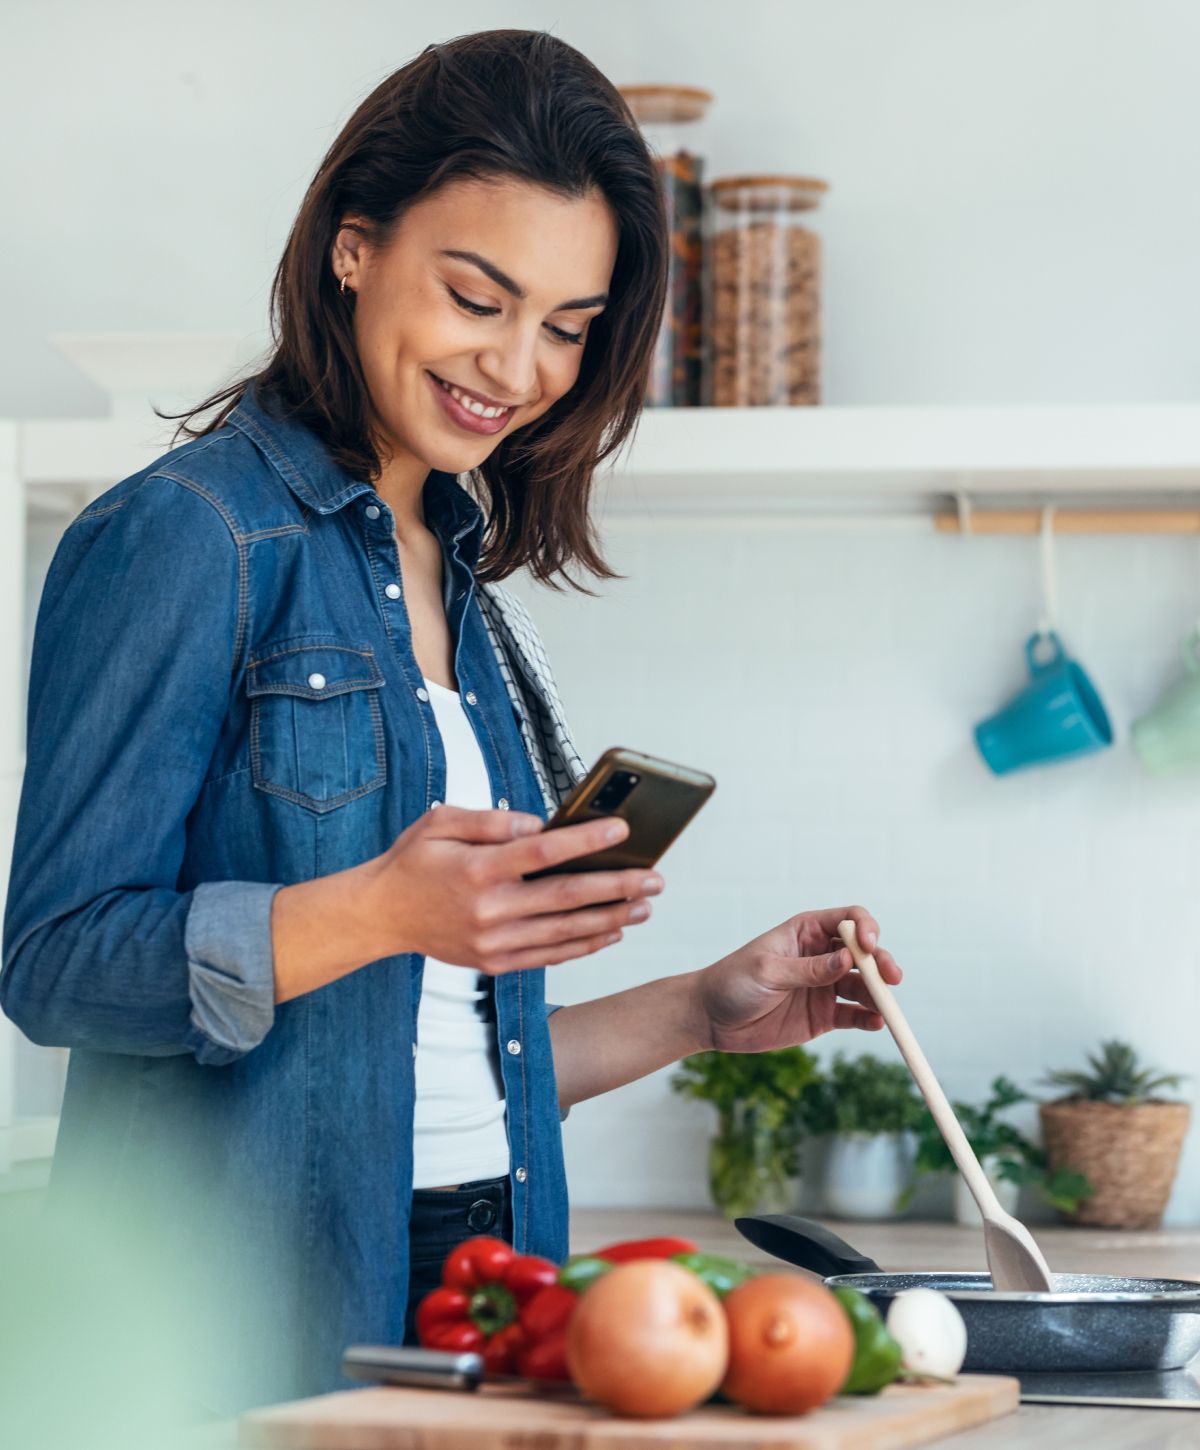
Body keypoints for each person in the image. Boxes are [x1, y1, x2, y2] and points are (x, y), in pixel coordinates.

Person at [0, 29, 903, 1416]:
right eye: (478, 295)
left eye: (566, 324)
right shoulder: (188, 537)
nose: (519, 363)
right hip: (257, 1304)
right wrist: (379, 909)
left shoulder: (464, 576)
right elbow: (54, 963)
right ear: (355, 246)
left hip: (494, 1272)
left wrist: (700, 1013)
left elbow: (433, 1046)